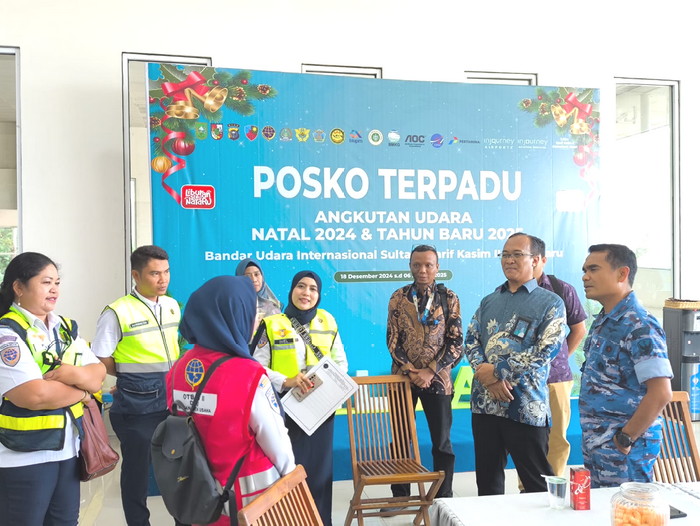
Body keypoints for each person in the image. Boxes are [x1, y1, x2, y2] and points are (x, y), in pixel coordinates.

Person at [167, 275, 295, 523]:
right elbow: (277, 444)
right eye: (251, 311)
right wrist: (292, 480)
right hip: (250, 499)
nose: (256, 319)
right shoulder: (249, 374)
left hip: (200, 495)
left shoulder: (178, 369)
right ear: (233, 316)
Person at [0, 252, 106, 524]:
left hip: (68, 449)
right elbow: (34, 395)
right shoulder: (7, 333)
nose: (55, 290)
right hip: (22, 455)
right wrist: (83, 393)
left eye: (57, 283)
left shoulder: (64, 328)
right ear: (18, 287)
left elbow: (98, 375)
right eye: (46, 282)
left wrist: (73, 374)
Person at [465, 233, 566, 495]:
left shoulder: (550, 303)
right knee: (487, 484)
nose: (509, 260)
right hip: (485, 404)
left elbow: (546, 350)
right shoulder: (490, 300)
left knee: (537, 484)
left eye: (517, 254)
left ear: (536, 260)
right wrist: (486, 376)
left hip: (524, 404)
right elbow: (471, 340)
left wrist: (497, 372)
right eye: (505, 254)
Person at [92, 245, 181, 526]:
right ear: (136, 275)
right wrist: (128, 377)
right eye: (155, 273)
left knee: (180, 472)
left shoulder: (171, 305)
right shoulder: (117, 312)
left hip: (172, 402)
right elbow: (101, 356)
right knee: (137, 474)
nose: (163, 279)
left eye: (166, 272)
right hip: (137, 406)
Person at [252, 270, 348, 526]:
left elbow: (340, 363)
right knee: (288, 471)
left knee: (320, 471)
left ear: (319, 294)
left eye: (313, 289)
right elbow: (256, 366)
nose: (306, 293)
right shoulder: (272, 324)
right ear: (292, 290)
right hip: (284, 409)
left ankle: (321, 520)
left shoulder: (328, 321)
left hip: (321, 409)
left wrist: (325, 384)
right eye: (301, 287)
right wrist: (286, 380)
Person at [579, 243, 673, 487]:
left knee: (628, 509)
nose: (585, 277)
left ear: (622, 273)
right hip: (598, 444)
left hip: (624, 449)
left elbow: (661, 392)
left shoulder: (640, 324)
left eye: (593, 269)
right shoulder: (605, 320)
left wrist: (625, 438)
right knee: (602, 508)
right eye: (585, 270)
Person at [386, 244, 463, 501]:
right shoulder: (398, 297)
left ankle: (443, 497)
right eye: (417, 264)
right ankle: (400, 496)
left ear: (437, 268)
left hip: (438, 380)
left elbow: (456, 342)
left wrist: (430, 371)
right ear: (410, 266)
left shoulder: (449, 298)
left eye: (428, 265)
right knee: (400, 439)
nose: (422, 270)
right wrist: (410, 370)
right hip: (402, 378)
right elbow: (392, 339)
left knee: (442, 442)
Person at [531, 236, 587, 478]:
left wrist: (559, 357)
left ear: (542, 260)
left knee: (558, 435)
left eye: (533, 258)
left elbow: (579, 329)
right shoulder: (508, 292)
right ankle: (529, 487)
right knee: (530, 436)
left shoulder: (561, 289)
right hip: (525, 379)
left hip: (557, 377)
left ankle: (553, 484)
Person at [235, 258, 282, 329]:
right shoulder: (234, 306)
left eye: (256, 274)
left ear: (262, 276)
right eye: (247, 276)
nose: (254, 279)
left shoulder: (273, 306)